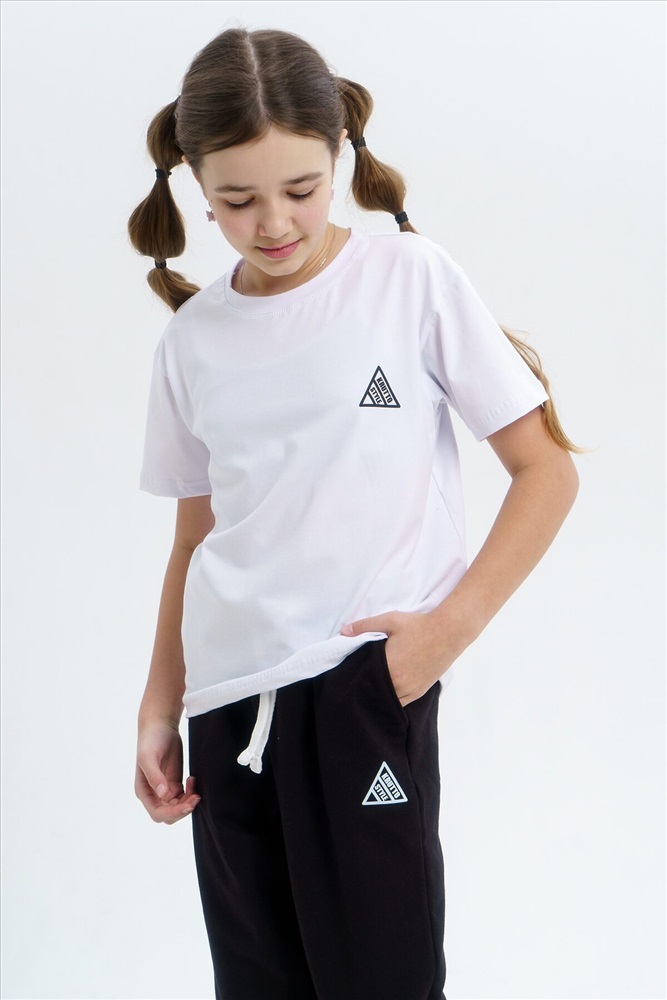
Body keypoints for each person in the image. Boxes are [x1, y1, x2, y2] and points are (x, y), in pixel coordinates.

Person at [129, 26, 579, 1000]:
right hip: (224, 710)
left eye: (301, 188)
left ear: (339, 154)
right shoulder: (192, 341)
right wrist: (160, 705)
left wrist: (434, 641)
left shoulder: (408, 279)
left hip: (360, 689)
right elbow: (194, 539)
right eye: (238, 201)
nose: (273, 223)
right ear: (197, 186)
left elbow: (544, 470)